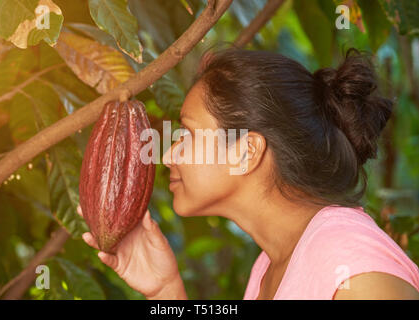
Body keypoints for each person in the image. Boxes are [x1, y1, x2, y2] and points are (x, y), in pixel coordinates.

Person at [77, 47, 419, 300]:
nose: (167, 155)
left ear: (246, 152)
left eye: (188, 134)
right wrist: (165, 291)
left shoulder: (347, 258)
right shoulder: (269, 270)